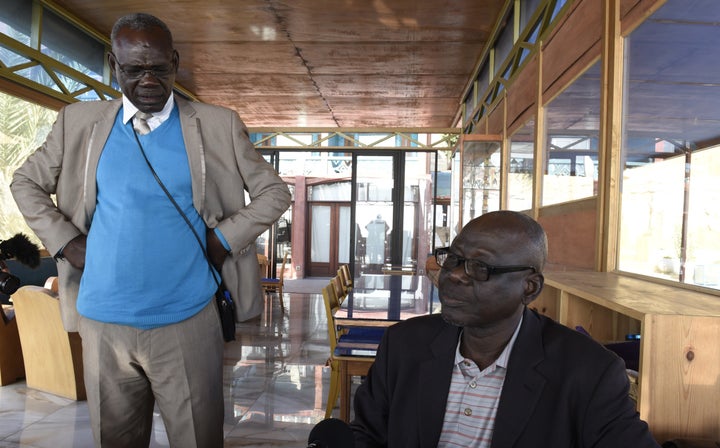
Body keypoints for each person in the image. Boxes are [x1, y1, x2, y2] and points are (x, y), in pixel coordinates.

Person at [11, 13, 291, 448]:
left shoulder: (216, 125)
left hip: (188, 318)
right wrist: (65, 241)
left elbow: (274, 193)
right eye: (133, 69)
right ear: (113, 64)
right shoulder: (78, 123)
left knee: (198, 439)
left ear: (175, 62)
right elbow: (24, 182)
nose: (147, 80)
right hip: (103, 323)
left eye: (158, 68)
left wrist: (222, 239)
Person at [350, 210, 660, 447]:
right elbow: (365, 436)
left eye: (480, 268)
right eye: (454, 259)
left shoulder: (588, 372)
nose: (456, 275)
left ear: (529, 287)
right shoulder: (404, 345)